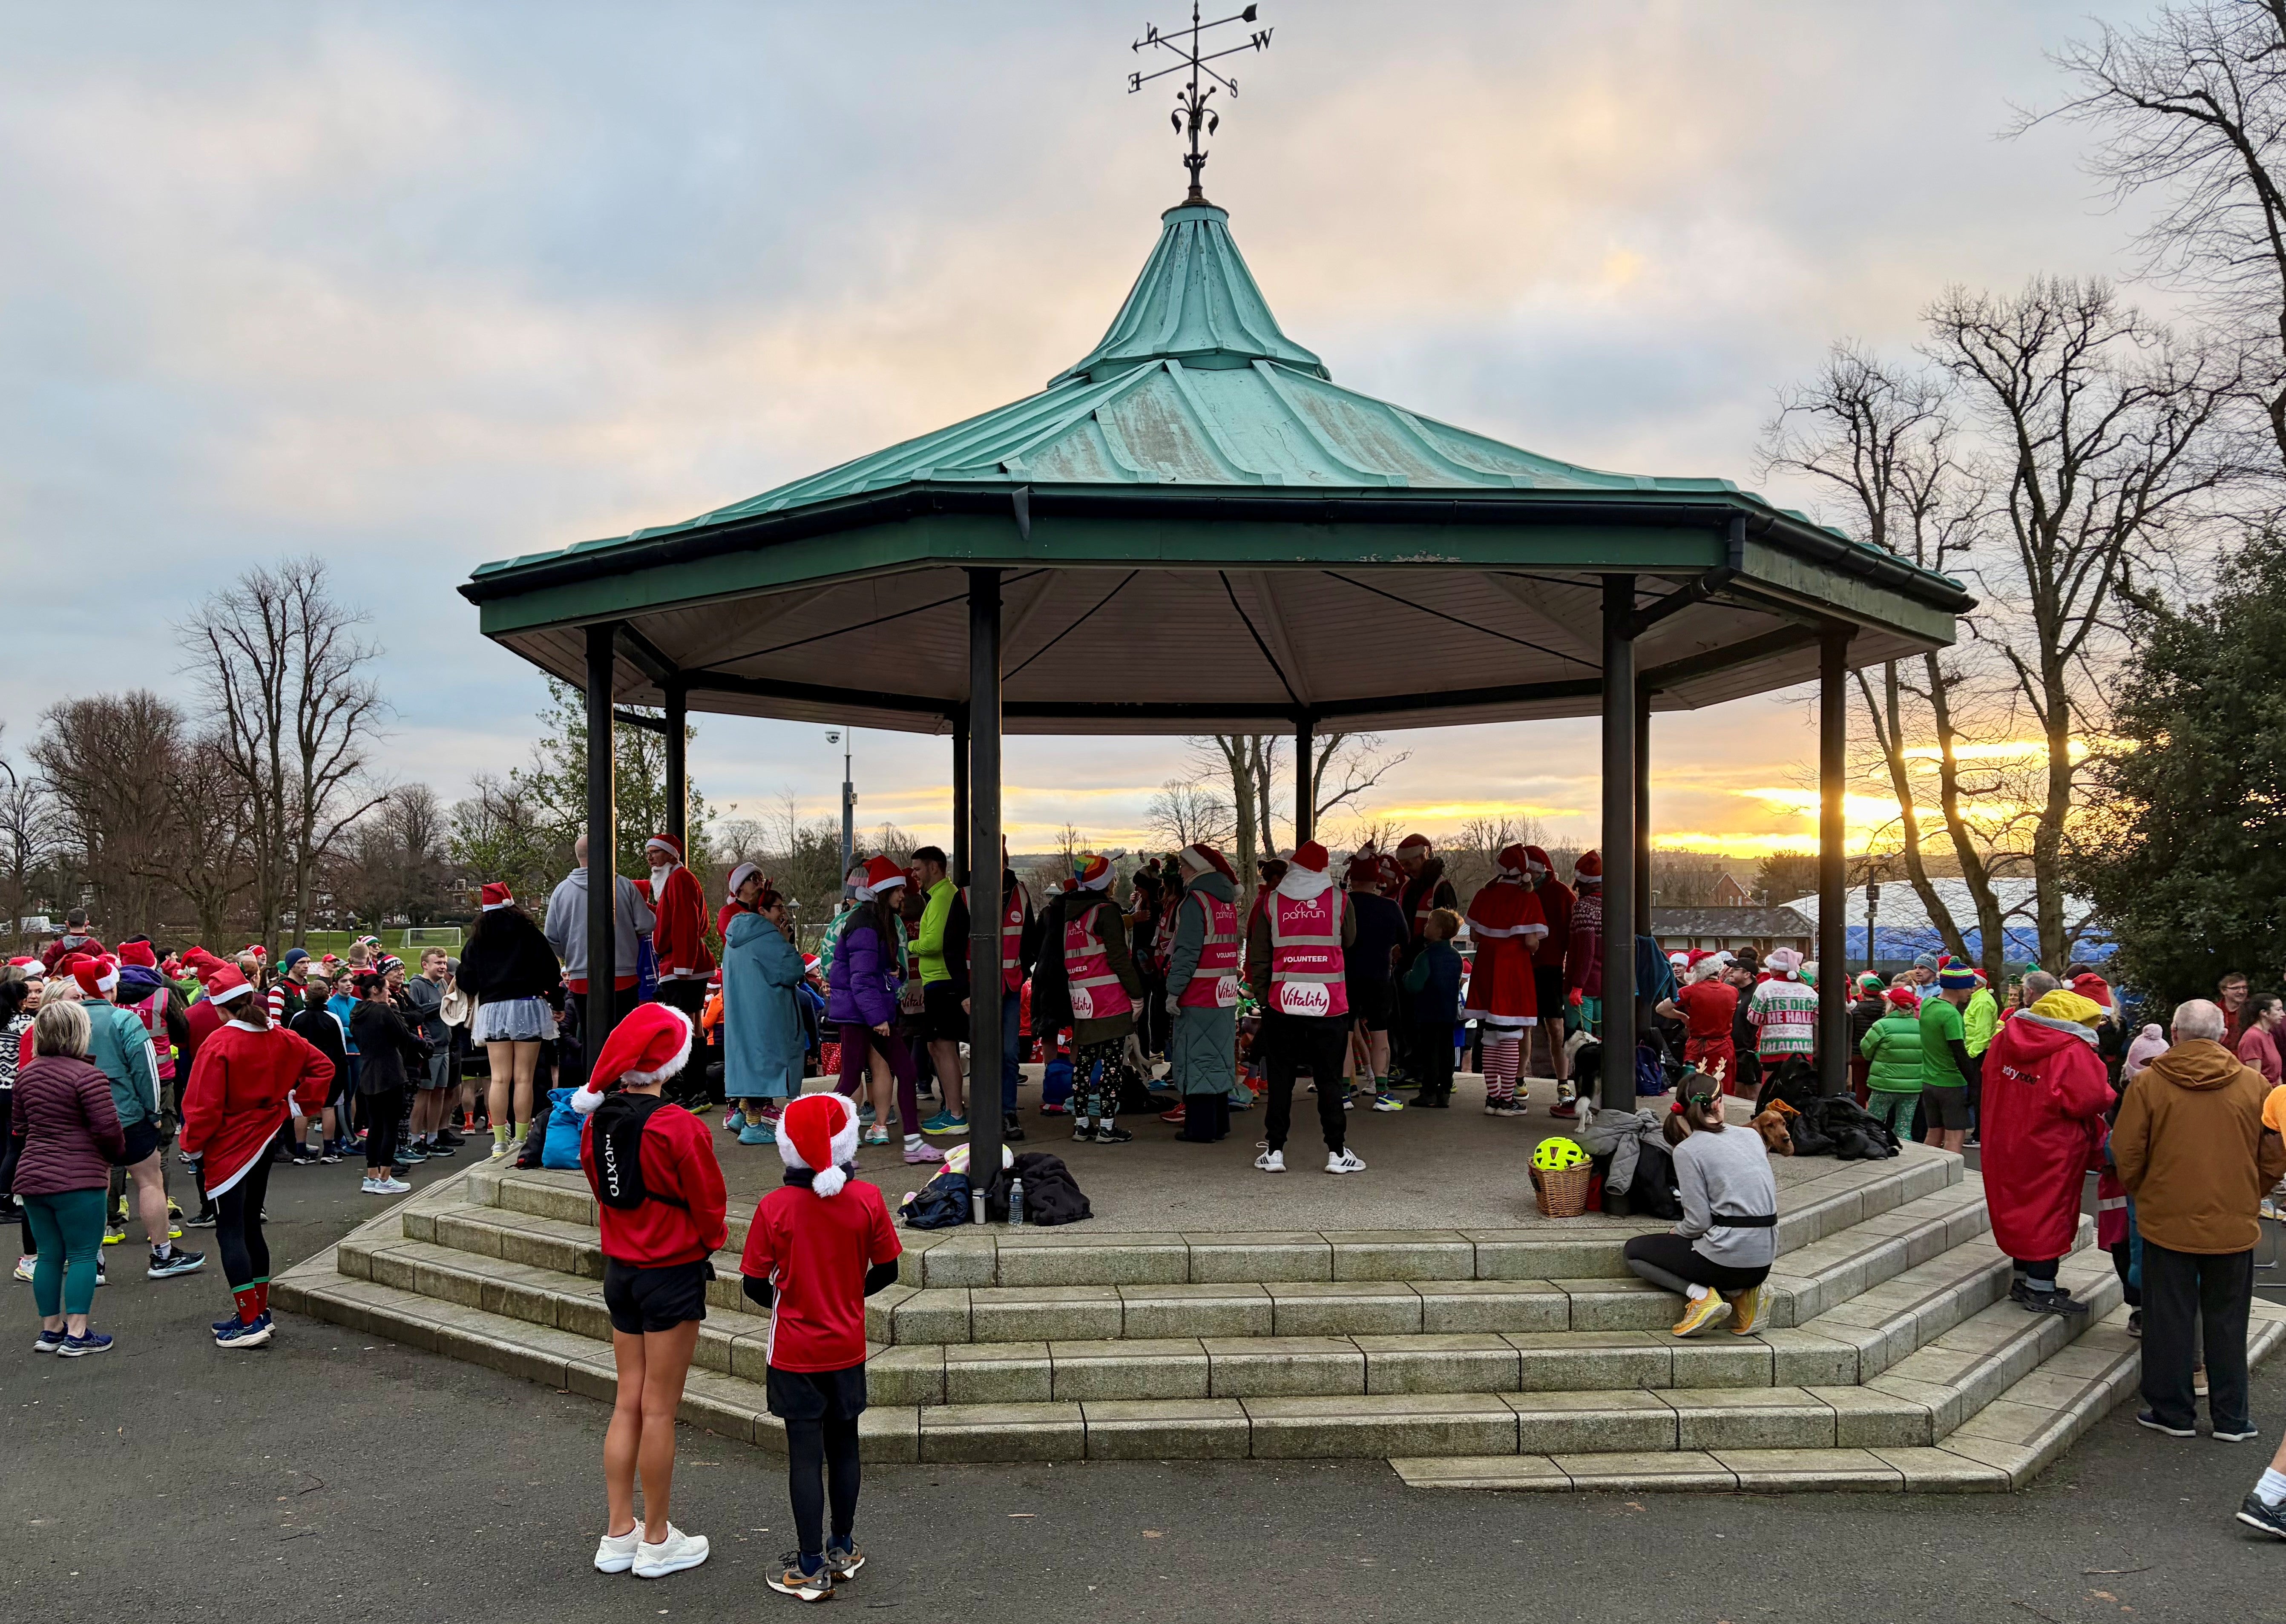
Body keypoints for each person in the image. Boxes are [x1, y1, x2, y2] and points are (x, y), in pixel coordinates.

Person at [571, 1002, 725, 1582]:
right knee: (660, 1408)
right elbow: (709, 1208)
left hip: (621, 1270)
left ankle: (619, 1531)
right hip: (671, 1271)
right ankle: (658, 1538)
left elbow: (600, 1189)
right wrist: (709, 1239)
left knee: (627, 1400)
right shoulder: (679, 1126)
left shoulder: (596, 1123)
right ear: (670, 1062)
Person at [739, 1091, 902, 1601]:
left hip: (794, 1350)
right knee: (846, 1447)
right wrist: (849, 1295)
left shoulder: (775, 1207)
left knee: (804, 1457)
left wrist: (791, 1300)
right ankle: (843, 1546)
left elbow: (751, 1283)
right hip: (847, 1345)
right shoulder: (868, 1199)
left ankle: (809, 1566)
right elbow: (890, 1269)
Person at [2112, 998, 2286, 1441]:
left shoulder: (2149, 1085)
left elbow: (2127, 1151)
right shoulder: (2253, 1086)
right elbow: (2273, 1154)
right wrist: (2251, 1192)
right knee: (2229, 1321)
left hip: (2167, 1218)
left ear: (2175, 1032)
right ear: (2222, 1035)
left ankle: (2173, 1412)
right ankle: (2232, 1418)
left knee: (2169, 1318)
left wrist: (2148, 1192)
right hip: (2233, 1220)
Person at [178, 965, 334, 1348]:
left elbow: (203, 1106)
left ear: (217, 1006)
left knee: (230, 1230)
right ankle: (258, 1311)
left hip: (228, 1144)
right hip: (266, 1135)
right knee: (251, 1226)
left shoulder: (218, 1043)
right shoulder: (279, 1035)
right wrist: (297, 1103)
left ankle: (249, 1320)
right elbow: (323, 1066)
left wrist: (191, 1145)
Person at [1978, 985, 2113, 1316]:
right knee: (2048, 1210)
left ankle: (2023, 1280)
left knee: (2019, 1207)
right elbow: (2091, 1098)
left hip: (2006, 1137)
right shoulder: (2071, 1051)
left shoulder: (2004, 1039)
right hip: (2052, 1145)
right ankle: (2042, 1288)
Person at [66, 955, 201, 1281]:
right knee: (149, 1181)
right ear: (112, 986)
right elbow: (147, 1072)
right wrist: (153, 1112)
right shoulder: (125, 1021)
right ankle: (162, 1255)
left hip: (81, 1116)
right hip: (127, 1115)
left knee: (91, 1187)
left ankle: (92, 1261)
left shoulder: (67, 1020)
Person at [1622, 1085, 1778, 1337]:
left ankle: (1703, 1298)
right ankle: (1745, 1297)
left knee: (1635, 1252)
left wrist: (1676, 1232)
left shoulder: (1687, 1149)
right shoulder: (1751, 1137)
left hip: (1726, 1262)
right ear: (1718, 1104)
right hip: (1763, 1262)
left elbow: (1698, 1222)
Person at [14, 999, 123, 1356]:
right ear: (79, 1033)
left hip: (33, 1174)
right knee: (81, 1254)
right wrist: (111, 1156)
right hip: (79, 1177)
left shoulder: (26, 1075)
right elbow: (108, 1129)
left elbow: (20, 1128)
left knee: (47, 1255)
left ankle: (51, 1329)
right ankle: (78, 1333)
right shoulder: (88, 1076)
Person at [1249, 841, 1364, 1176]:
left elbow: (1259, 955)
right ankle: (1337, 1151)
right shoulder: (1340, 901)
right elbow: (1350, 940)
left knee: (1282, 1077)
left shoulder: (1271, 902)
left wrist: (1262, 997)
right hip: (1328, 1003)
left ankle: (1274, 1152)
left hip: (1282, 1003)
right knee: (1329, 1078)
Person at [828, 855, 938, 1166]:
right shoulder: (864, 924)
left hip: (866, 1013)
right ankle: (824, 1148)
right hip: (861, 1016)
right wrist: (878, 1018)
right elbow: (860, 979)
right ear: (883, 891)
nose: (904, 895)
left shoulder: (874, 921)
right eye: (898, 890)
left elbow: (874, 972)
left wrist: (896, 975)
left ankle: (913, 1143)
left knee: (905, 1070)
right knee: (848, 1082)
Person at [544, 833, 654, 1091]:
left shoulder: (561, 891)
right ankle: (623, 1090)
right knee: (624, 1038)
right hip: (624, 974)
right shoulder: (623, 885)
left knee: (592, 1038)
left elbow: (551, 937)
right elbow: (648, 923)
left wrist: (571, 955)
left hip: (581, 978)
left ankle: (593, 1091)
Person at [460, 882, 562, 1158]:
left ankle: (498, 1141)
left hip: (494, 1010)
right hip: (528, 1006)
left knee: (500, 1078)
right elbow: (551, 972)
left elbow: (465, 979)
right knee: (524, 1078)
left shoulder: (478, 939)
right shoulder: (529, 933)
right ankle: (519, 1138)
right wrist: (557, 1002)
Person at [1057, 853, 1147, 1146]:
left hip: (1083, 999)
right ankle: (1107, 1126)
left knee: (1083, 1063)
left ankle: (1082, 1124)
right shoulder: (1105, 912)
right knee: (1111, 1065)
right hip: (1110, 999)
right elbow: (1119, 958)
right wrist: (1136, 994)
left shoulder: (1071, 914)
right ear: (1105, 884)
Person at [1462, 844, 1552, 1118]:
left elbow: (1475, 936)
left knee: (1490, 1036)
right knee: (1511, 1036)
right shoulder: (1528, 898)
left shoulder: (1484, 894)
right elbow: (1531, 941)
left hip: (1486, 968)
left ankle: (1492, 1099)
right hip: (1513, 970)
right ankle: (1506, 1100)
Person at [721, 865, 806, 1145]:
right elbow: (793, 969)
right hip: (766, 1014)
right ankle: (753, 1126)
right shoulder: (767, 937)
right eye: (778, 907)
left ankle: (742, 1114)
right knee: (763, 1066)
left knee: (750, 1064)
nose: (782, 913)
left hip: (742, 1013)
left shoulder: (735, 934)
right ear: (763, 910)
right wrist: (785, 943)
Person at [1165, 842, 1244, 1143]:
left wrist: (1174, 991)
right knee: (1219, 1056)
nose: (1181, 871)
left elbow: (1186, 952)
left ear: (1198, 868)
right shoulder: (1224, 902)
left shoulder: (1194, 902)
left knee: (1196, 1056)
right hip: (1223, 993)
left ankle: (1200, 1128)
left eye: (1185, 865)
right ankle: (1219, 1123)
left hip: (1198, 993)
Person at [905, 846, 969, 1135]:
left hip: (944, 982)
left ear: (934, 867)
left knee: (944, 1048)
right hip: (938, 981)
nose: (914, 874)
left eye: (917, 868)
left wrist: (907, 946)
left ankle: (955, 1113)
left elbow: (934, 944)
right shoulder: (938, 897)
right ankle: (952, 1109)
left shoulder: (944, 896)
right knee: (936, 1047)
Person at [1342, 849, 1411, 1112]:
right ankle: (1382, 1092)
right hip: (1380, 977)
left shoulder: (1341, 904)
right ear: (1377, 879)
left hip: (1345, 977)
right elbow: (1404, 941)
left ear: (1351, 877)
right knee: (1381, 1033)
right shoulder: (1390, 907)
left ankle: (1344, 1092)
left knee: (1345, 1034)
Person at [349, 971, 428, 1195]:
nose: (389, 993)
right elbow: (403, 1033)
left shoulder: (357, 1013)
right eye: (386, 989)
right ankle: (386, 1176)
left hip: (368, 1072)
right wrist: (394, 1009)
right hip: (390, 1072)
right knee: (390, 1126)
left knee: (375, 1127)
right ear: (375, 990)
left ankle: (372, 1175)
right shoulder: (384, 1010)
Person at [1389, 834, 1458, 1086]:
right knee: (1405, 1018)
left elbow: (1446, 928)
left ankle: (1429, 1071)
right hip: (1407, 963)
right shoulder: (1407, 888)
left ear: (1423, 856)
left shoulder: (1441, 887)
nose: (1405, 869)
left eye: (1409, 863)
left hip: (1429, 964)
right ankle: (1411, 1064)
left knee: (1429, 1022)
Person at [1399, 907, 1465, 1109]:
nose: (1426, 926)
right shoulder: (1455, 957)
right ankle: (1445, 1090)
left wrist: (1407, 976)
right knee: (1446, 1051)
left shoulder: (1425, 957)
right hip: (1448, 1013)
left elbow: (1415, 985)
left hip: (1428, 1013)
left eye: (1429, 923)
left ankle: (1428, 1091)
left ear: (1439, 931)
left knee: (1429, 1053)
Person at [286, 968, 349, 1166]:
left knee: (302, 1109)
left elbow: (291, 1045)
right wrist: (342, 1073)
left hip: (304, 1070)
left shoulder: (297, 1018)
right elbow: (342, 1049)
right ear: (326, 996)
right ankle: (328, 1150)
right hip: (328, 1070)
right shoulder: (333, 1019)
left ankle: (300, 1151)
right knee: (328, 1107)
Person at [401, 948, 460, 1158]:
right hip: (429, 1050)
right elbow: (416, 1013)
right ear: (425, 965)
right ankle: (415, 1138)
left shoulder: (444, 983)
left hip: (445, 1047)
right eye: (438, 963)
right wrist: (443, 1005)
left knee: (440, 1093)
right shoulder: (417, 985)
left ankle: (433, 1137)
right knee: (424, 1094)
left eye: (444, 963)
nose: (443, 967)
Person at [1917, 963, 1980, 1153]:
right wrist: (1975, 1085)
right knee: (1955, 1138)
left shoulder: (1928, 1004)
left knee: (1934, 1133)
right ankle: (1951, 1180)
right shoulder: (1951, 1015)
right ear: (1958, 987)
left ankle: (1924, 1172)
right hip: (1952, 1084)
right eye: (1969, 986)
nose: (1971, 990)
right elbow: (1959, 1053)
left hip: (1929, 1081)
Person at [1659, 956, 1742, 1096]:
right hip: (1723, 1046)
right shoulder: (1733, 991)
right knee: (1723, 1090)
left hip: (1697, 1047)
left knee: (1694, 1090)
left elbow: (1661, 1009)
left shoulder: (1689, 991)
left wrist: (1683, 1017)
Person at [1856, 986, 1926, 1141]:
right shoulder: (1921, 1027)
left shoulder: (1882, 1026)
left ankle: (1874, 1147)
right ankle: (1905, 1153)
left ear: (1892, 1006)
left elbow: (1866, 1050)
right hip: (1912, 1087)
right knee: (1904, 1126)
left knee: (1874, 1122)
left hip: (1884, 1084)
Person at [1745, 946, 1817, 1072]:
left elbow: (1754, 1019)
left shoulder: (1765, 988)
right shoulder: (1809, 992)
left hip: (1772, 1051)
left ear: (1774, 968)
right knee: (1797, 1088)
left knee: (1771, 1089)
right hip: (1802, 1051)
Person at [2236, 995, 2284, 1086]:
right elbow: (2255, 1078)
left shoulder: (2268, 1035)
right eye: (2278, 1010)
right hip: (2263, 1095)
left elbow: (2276, 1074)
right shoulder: (2253, 1037)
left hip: (2274, 1093)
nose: (2283, 1014)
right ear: (2264, 1013)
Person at [40, 908, 105, 975]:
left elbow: (46, 971)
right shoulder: (96, 947)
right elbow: (107, 967)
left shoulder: (57, 947)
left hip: (63, 985)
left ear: (67, 924)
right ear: (87, 923)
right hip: (90, 984)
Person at [2218, 970, 2252, 1050]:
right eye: (2236, 988)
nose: (2242, 992)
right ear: (2224, 991)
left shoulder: (2253, 1010)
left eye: (2245, 988)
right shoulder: (2213, 1011)